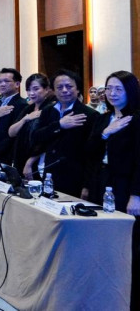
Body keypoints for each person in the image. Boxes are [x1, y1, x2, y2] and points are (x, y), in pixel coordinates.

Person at [86, 70, 140, 308]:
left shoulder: (136, 119)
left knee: (125, 240)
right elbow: (89, 151)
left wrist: (136, 195)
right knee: (102, 234)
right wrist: (106, 133)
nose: (112, 93)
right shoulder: (103, 118)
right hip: (101, 180)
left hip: (125, 185)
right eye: (109, 88)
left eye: (119, 89)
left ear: (130, 91)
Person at [33, 69, 98, 197]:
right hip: (50, 174)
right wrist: (59, 125)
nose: (64, 90)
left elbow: (93, 154)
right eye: (59, 87)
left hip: (75, 178)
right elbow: (36, 137)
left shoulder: (89, 114)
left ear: (77, 89)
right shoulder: (48, 111)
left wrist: (87, 185)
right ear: (53, 90)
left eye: (69, 86)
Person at [7, 73, 55, 178]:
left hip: (38, 161)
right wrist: (25, 119)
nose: (31, 93)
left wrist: (29, 163)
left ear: (46, 89)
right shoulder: (28, 108)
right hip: (20, 157)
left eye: (36, 89)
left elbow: (45, 141)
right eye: (28, 90)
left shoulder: (51, 109)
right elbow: (11, 132)